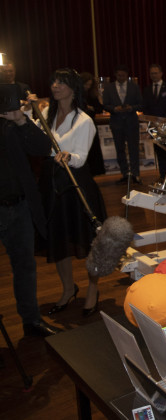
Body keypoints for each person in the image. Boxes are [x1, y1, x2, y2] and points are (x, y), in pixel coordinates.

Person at [33, 68, 108, 318]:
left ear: (72, 88)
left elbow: (81, 157)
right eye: (53, 81)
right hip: (51, 184)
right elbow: (34, 141)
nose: (55, 86)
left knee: (89, 242)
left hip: (76, 184)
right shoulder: (45, 113)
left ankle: (93, 289)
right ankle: (67, 289)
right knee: (58, 240)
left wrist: (69, 155)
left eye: (61, 83)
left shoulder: (84, 120)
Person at [0, 85, 62, 337]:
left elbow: (42, 147)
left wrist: (21, 119)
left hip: (20, 206)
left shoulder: (14, 125)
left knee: (25, 266)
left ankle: (31, 321)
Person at [102, 64, 143, 184]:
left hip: (131, 122)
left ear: (127, 75)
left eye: (123, 76)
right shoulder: (108, 88)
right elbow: (105, 105)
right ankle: (125, 174)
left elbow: (141, 104)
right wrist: (114, 109)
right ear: (115, 75)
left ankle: (135, 174)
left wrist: (131, 108)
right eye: (119, 75)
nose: (121, 77)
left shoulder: (134, 87)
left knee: (133, 149)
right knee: (119, 149)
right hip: (116, 122)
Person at [143, 64, 166, 180]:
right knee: (159, 151)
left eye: (156, 73)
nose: (154, 75)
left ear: (161, 74)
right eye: (152, 73)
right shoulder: (147, 90)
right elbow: (145, 108)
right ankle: (163, 176)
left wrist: (162, 122)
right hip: (154, 126)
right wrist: (153, 122)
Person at [80, 72, 105, 176]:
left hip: (90, 124)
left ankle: (93, 172)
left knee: (93, 150)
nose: (87, 87)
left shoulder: (92, 95)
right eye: (86, 84)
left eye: (89, 85)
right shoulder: (77, 95)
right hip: (80, 126)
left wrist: (91, 108)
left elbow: (100, 108)